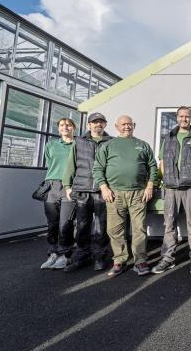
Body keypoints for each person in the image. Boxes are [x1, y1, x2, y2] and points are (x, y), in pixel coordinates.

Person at [93, 115, 157, 277]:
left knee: (139, 229)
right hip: (114, 194)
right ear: (116, 126)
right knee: (115, 229)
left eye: (129, 124)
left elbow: (152, 167)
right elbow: (98, 168)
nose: (127, 127)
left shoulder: (142, 145)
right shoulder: (108, 145)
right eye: (123, 124)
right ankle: (119, 261)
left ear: (134, 125)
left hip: (138, 193)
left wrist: (150, 186)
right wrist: (104, 188)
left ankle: (140, 261)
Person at [153, 106, 191, 275]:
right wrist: (163, 178)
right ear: (176, 117)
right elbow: (161, 161)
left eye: (187, 116)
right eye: (181, 116)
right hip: (170, 187)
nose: (184, 119)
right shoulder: (168, 137)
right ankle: (168, 259)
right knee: (169, 224)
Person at [62, 112, 112, 272]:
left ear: (105, 124)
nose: (98, 125)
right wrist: (67, 185)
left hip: (101, 190)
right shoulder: (79, 142)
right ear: (88, 125)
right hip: (82, 189)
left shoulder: (111, 142)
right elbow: (71, 164)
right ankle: (82, 256)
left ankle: (99, 256)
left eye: (101, 122)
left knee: (101, 225)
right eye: (94, 122)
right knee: (82, 225)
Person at [40, 118, 76, 270]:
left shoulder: (77, 144)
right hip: (52, 185)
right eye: (62, 125)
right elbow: (50, 162)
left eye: (68, 125)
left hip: (70, 186)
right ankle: (53, 253)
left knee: (65, 223)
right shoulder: (51, 144)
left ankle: (65, 255)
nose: (65, 127)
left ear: (74, 128)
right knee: (52, 223)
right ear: (58, 129)